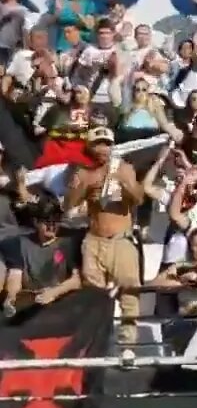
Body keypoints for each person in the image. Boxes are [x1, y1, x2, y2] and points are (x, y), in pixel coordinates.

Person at [63, 126, 146, 345]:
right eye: (98, 144)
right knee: (93, 295)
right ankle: (95, 342)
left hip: (121, 239)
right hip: (94, 240)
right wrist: (79, 188)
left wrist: (126, 184)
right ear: (90, 147)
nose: (103, 148)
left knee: (129, 293)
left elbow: (139, 199)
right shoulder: (83, 173)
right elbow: (69, 206)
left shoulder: (124, 168)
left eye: (107, 144)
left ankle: (128, 345)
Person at [1, 195, 80, 316]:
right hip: (30, 302)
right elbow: (15, 276)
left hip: (59, 303)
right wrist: (11, 298)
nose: (52, 226)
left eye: (56, 221)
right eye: (47, 221)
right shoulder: (20, 243)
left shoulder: (67, 244)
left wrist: (54, 292)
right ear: (36, 222)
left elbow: (77, 280)